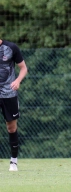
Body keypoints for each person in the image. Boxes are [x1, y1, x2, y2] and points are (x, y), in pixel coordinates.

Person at [0, 39, 28, 172]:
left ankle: (13, 161)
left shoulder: (11, 47)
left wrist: (18, 80)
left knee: (11, 128)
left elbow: (23, 68)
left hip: (8, 94)